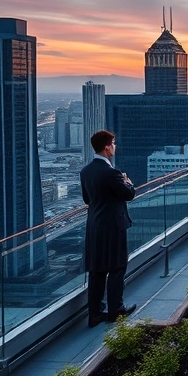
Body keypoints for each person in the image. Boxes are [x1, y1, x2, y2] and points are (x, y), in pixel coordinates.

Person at [81, 130, 136, 327]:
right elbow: (128, 195)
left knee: (96, 270)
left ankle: (95, 313)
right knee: (117, 267)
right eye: (113, 143)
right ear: (107, 146)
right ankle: (116, 310)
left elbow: (87, 199)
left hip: (94, 226)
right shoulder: (112, 172)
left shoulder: (86, 171)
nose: (115, 146)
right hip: (113, 225)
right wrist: (127, 183)